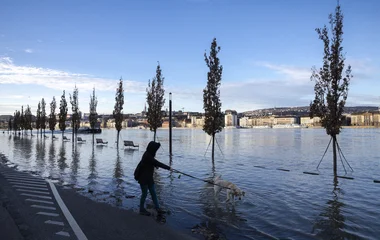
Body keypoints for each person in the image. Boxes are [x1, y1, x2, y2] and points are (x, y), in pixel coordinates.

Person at [134, 141, 172, 216]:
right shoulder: (147, 156)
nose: (156, 151)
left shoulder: (148, 154)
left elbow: (152, 163)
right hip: (143, 178)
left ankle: (157, 208)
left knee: (153, 193)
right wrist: (169, 168)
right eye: (155, 149)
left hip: (149, 178)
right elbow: (157, 162)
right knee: (144, 194)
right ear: (152, 149)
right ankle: (141, 209)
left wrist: (154, 165)